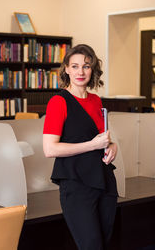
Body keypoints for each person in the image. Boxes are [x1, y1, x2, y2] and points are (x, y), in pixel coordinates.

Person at [43, 44, 118, 250]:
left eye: (86, 66)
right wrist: (92, 145)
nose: (80, 72)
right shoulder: (58, 102)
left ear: (92, 69)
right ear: (66, 69)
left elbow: (102, 139)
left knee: (105, 243)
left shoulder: (95, 100)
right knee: (91, 246)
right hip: (77, 185)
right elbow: (50, 149)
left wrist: (112, 146)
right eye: (75, 66)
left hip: (104, 180)